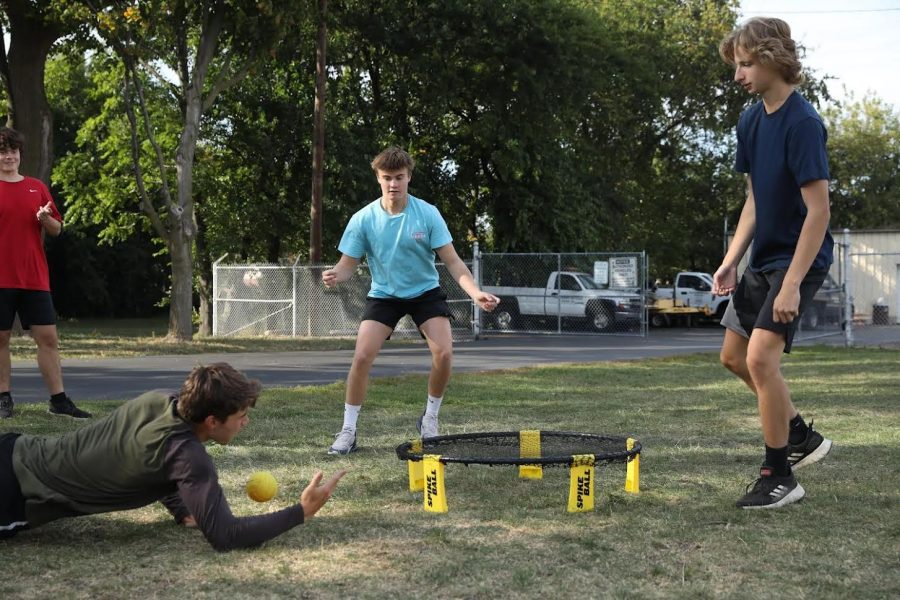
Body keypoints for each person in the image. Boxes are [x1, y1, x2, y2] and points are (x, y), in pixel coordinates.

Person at [0, 363, 346, 550]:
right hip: (13, 494)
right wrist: (301, 511)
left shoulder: (160, 400)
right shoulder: (188, 456)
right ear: (212, 421)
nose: (246, 422)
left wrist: (183, 509)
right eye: (241, 415)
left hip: (14, 446)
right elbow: (226, 536)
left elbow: (148, 457)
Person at [714, 17, 833, 509]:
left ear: (772, 59)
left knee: (762, 359)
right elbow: (755, 201)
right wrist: (730, 260)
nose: (738, 75)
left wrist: (792, 285)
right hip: (762, 260)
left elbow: (819, 210)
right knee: (733, 358)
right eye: (736, 66)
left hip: (797, 260)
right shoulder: (750, 120)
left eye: (745, 64)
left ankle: (780, 475)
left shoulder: (803, 123)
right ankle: (800, 433)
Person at [322, 147, 499, 455]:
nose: (394, 184)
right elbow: (348, 263)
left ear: (409, 178)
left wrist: (476, 293)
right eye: (387, 178)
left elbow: (454, 262)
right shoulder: (363, 219)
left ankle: (430, 419)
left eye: (399, 177)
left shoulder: (427, 213)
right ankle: (348, 431)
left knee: (444, 353)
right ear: (378, 178)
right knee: (362, 356)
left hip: (424, 293)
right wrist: (336, 274)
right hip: (385, 295)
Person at [0, 127, 90, 419]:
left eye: (12, 151)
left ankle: (59, 401)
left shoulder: (36, 187)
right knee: (0, 340)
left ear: (20, 154)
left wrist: (46, 218)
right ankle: (3, 399)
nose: (8, 156)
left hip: (34, 277)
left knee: (48, 338)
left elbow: (56, 230)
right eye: (2, 151)